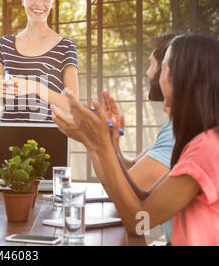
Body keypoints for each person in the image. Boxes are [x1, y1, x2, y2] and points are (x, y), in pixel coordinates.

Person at [60, 33, 219, 246]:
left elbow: (138, 223)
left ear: (180, 78)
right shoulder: (199, 142)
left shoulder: (206, 150)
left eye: (162, 67)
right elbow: (144, 199)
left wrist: (99, 144)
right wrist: (109, 146)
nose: (153, 75)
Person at [53, 33, 176, 243]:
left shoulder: (181, 134)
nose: (147, 73)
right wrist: (110, 142)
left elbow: (129, 205)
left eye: (155, 65)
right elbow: (130, 173)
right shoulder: (173, 127)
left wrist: (95, 144)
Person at [0, 0, 79, 123]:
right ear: (22, 0)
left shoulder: (65, 47)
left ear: (52, 2)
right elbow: (2, 102)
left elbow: (73, 107)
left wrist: (35, 87)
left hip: (47, 137)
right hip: (7, 133)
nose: (39, 4)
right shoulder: (4, 44)